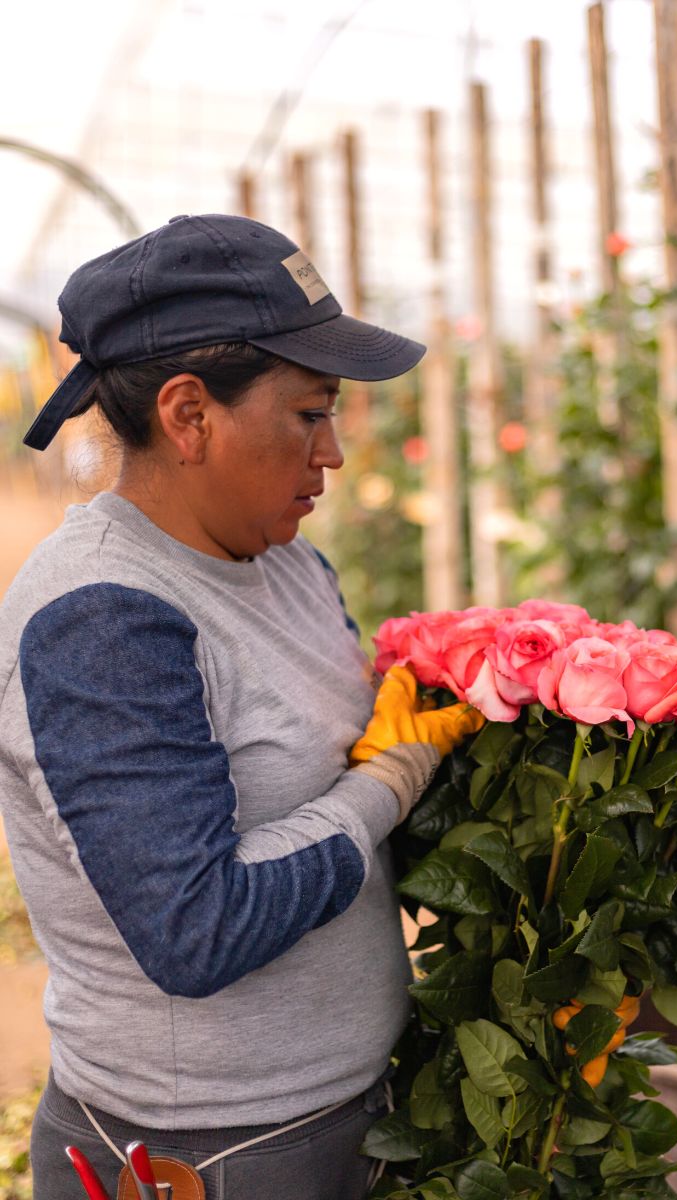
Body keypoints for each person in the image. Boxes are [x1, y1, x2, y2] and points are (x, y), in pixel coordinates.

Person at [0, 214, 483, 1199]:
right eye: (309, 414)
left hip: (337, 1116)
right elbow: (197, 927)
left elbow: (310, 776)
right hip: (204, 1155)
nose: (335, 452)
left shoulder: (288, 565)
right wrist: (386, 781)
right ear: (189, 416)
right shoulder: (104, 624)